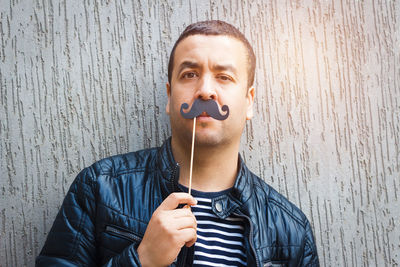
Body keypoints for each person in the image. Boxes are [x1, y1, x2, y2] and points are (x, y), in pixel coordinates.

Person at [36, 20, 319, 267]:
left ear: (249, 101)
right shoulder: (99, 188)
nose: (206, 90)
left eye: (224, 76)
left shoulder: (291, 232)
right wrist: (142, 259)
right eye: (190, 74)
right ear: (170, 97)